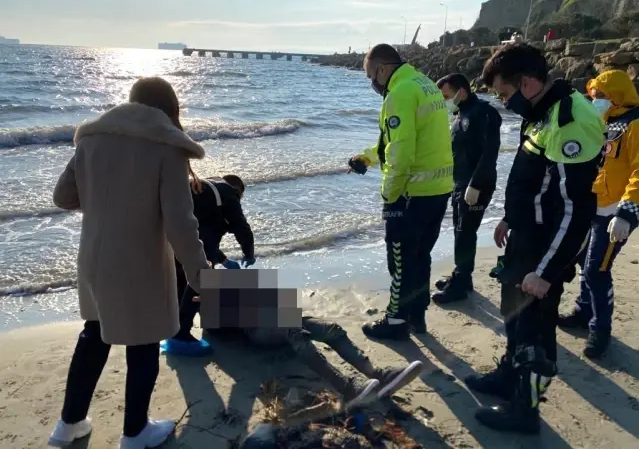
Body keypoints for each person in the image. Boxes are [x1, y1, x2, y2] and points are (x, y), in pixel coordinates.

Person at [47, 77, 211, 449]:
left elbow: (62, 197)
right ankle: (135, 432)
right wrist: (202, 276)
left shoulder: (92, 138)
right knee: (144, 343)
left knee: (93, 336)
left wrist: (106, 199)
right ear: (170, 110)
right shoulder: (167, 147)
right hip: (139, 263)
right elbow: (180, 224)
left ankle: (68, 424)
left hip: (94, 258)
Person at [464, 43, 604, 434]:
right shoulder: (540, 111)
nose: (503, 103)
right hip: (525, 238)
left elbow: (576, 210)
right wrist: (511, 217)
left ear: (526, 83)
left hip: (546, 248)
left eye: (505, 93)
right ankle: (509, 377)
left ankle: (526, 411)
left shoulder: (570, 120)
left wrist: (545, 272)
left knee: (535, 332)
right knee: (514, 317)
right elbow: (534, 176)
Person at [348, 43, 453, 340]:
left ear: (382, 68)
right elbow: (401, 142)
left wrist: (390, 197)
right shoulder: (424, 84)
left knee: (399, 259)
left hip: (412, 193)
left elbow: (402, 152)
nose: (372, 82)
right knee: (420, 256)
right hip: (438, 189)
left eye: (371, 74)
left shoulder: (399, 94)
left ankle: (395, 321)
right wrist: (367, 157)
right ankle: (416, 316)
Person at [558, 70, 639, 358]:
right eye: (595, 96)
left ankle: (599, 330)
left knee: (597, 270)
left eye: (603, 96)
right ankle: (583, 310)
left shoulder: (635, 124)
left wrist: (627, 215)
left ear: (618, 95)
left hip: (615, 214)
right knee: (584, 263)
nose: (597, 101)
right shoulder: (607, 122)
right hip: (595, 207)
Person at [162, 174, 256, 356]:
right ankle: (180, 335)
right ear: (237, 190)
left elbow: (204, 233)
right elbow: (240, 226)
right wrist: (248, 253)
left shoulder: (202, 188)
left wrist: (224, 260)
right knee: (200, 279)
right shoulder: (229, 192)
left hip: (169, 233)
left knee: (182, 277)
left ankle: (174, 328)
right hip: (189, 235)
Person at [242, 316, 423, 408]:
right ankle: (346, 388)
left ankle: (378, 375)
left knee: (332, 329)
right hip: (259, 328)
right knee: (294, 331)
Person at [433, 73, 502, 303]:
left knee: (465, 232)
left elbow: (489, 152)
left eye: (446, 96)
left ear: (461, 91)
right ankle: (462, 275)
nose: (444, 101)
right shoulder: (460, 113)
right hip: (460, 182)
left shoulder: (483, 113)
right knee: (459, 229)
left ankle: (460, 285)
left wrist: (476, 184)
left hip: (476, 184)